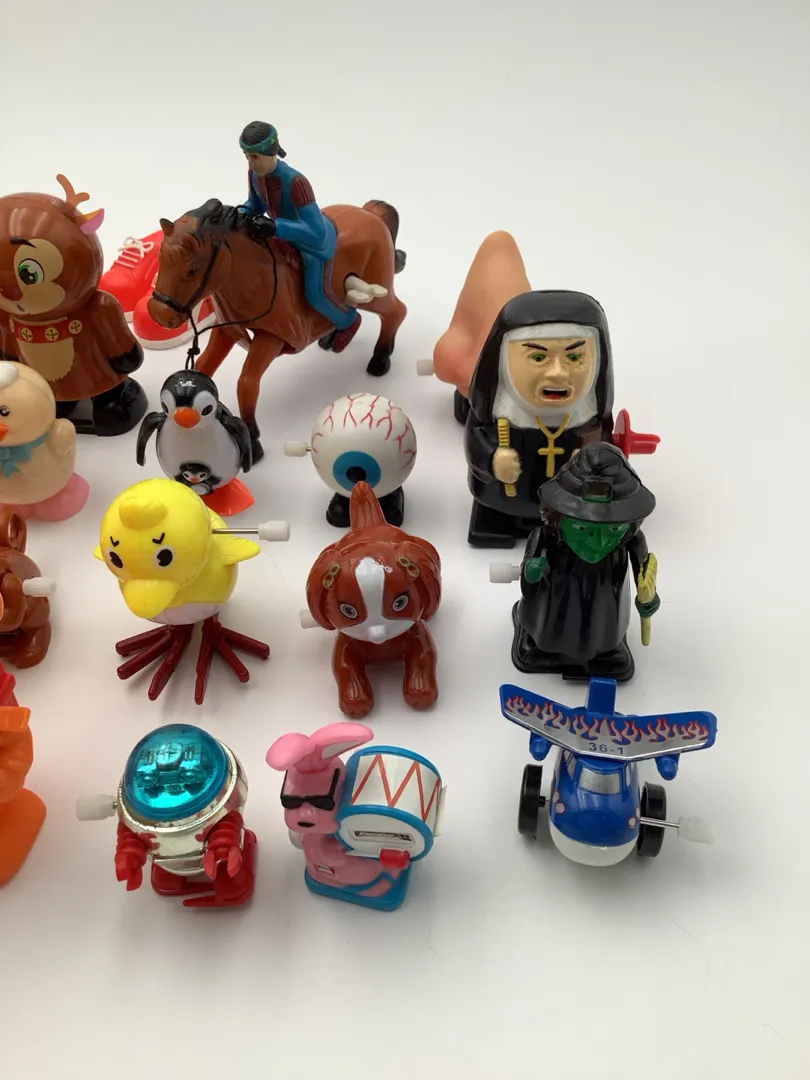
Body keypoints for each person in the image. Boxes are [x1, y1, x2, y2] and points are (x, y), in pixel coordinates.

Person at [464, 290, 615, 548]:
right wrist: (492, 459)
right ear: (502, 360)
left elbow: (607, 451)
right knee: (496, 510)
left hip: (571, 505)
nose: (557, 373)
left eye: (575, 357)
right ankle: (498, 520)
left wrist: (593, 464)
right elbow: (476, 438)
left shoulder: (588, 417)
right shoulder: (498, 412)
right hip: (503, 498)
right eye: (537, 357)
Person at [237, 121, 361, 352]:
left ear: (270, 153)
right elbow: (255, 203)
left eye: (254, 157)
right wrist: (242, 213)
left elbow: (316, 231)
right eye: (247, 157)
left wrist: (277, 227)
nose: (250, 163)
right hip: (280, 237)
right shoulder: (254, 174)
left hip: (310, 244)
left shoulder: (296, 182)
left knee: (315, 294)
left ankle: (348, 320)